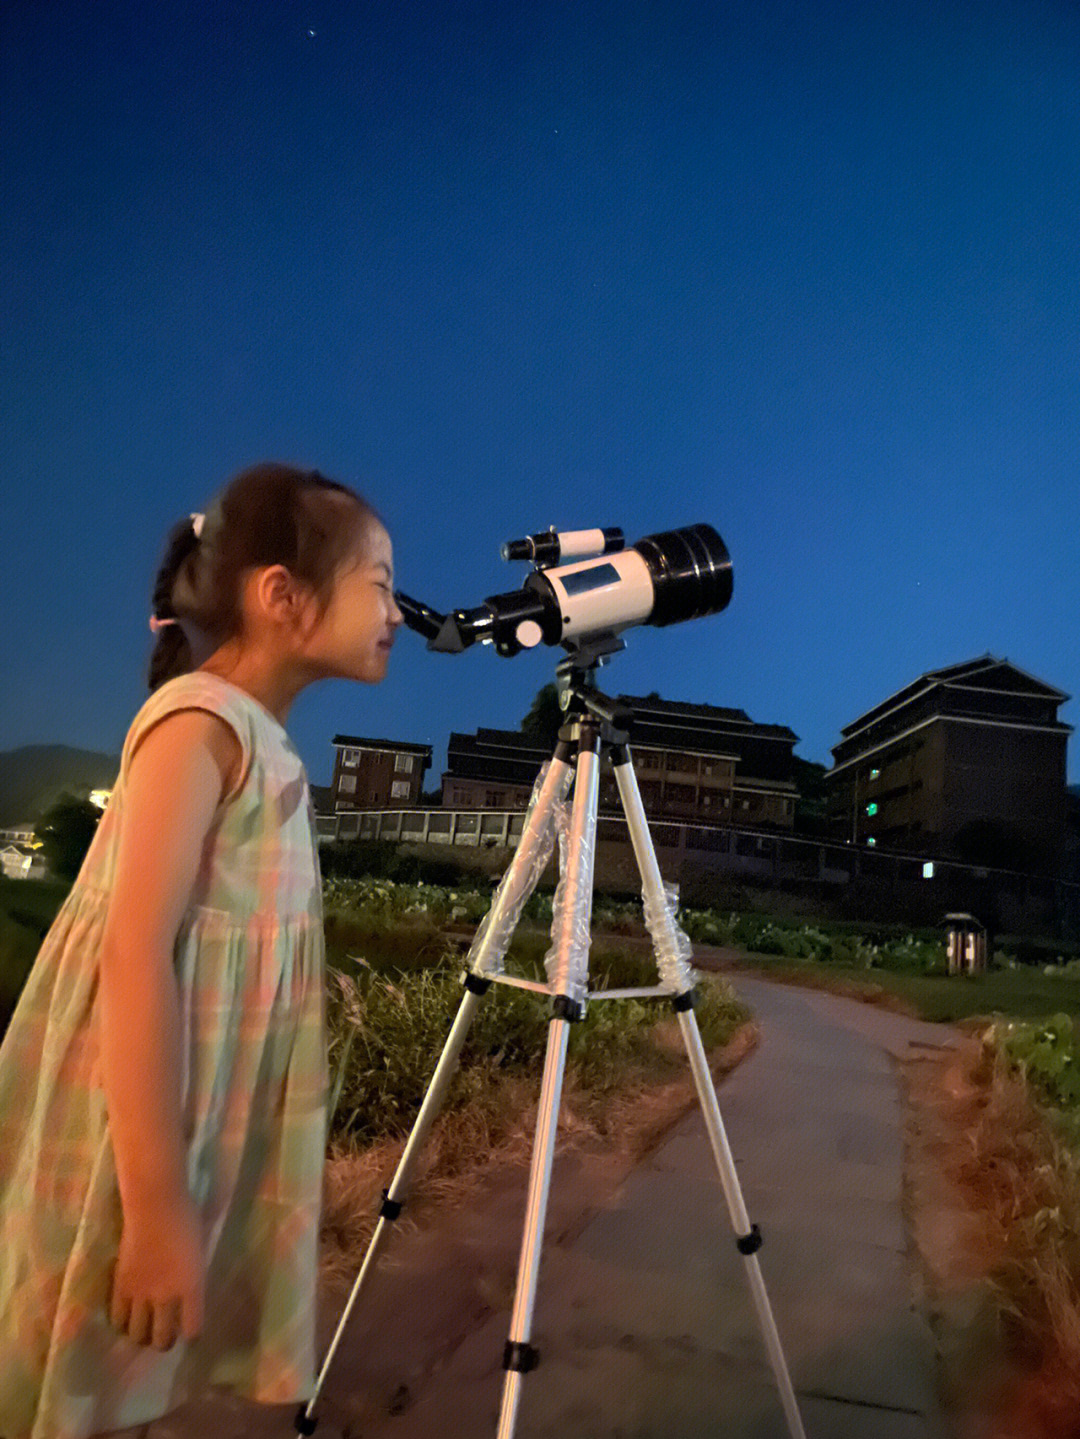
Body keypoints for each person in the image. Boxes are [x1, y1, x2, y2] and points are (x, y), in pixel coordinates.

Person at [0, 463, 403, 1439]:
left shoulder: (261, 740)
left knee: (123, 1376)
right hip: (133, 1141)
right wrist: (156, 1206)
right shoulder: (198, 726)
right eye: (381, 580)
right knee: (84, 1372)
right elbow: (133, 956)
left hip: (187, 1130)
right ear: (281, 595)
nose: (398, 607)